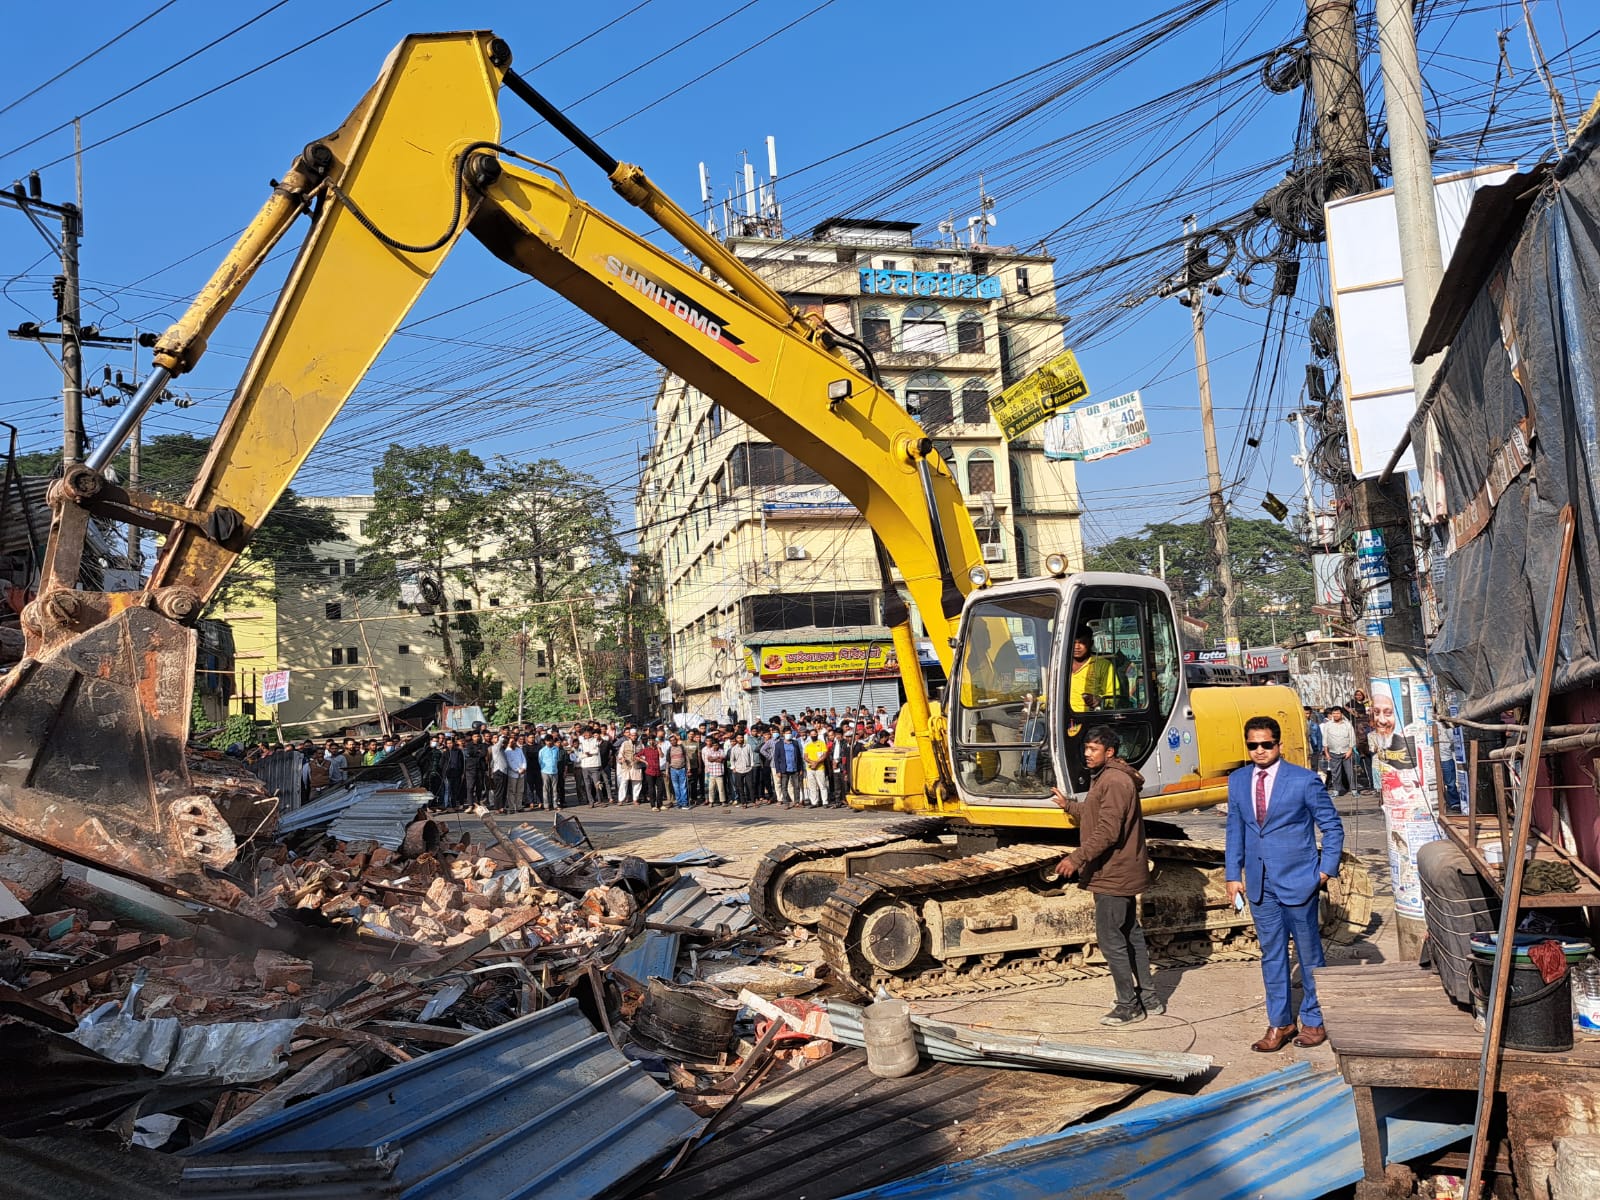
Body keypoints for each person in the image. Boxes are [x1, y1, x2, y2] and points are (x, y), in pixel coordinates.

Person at [1226, 715, 1346, 1052]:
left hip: (1299, 881)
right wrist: (1233, 875)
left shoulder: (1304, 781)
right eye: (1253, 745)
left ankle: (1314, 1018)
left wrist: (1324, 871)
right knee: (1271, 956)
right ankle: (1280, 1022)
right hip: (1260, 885)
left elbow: (1332, 827)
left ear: (1278, 744)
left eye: (1266, 744)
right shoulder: (1238, 781)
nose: (1260, 751)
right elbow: (1235, 829)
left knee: (1309, 955)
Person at [1049, 725, 1159, 1026]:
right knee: (1129, 934)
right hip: (1117, 870)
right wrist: (1070, 806)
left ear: (1109, 752)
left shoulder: (1114, 781)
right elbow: (1099, 814)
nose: (1087, 753)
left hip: (1113, 872)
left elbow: (1108, 831)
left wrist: (1077, 857)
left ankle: (1129, 1005)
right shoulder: (1110, 778)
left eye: (1093, 749)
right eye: (1086, 748)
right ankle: (1148, 997)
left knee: (1112, 939)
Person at [1321, 706, 1357, 797]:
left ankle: (1353, 790)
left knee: (1350, 772)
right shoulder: (1328, 725)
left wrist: (1350, 750)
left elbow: (1352, 738)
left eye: (1337, 713)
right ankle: (1336, 790)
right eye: (1334, 713)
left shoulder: (1347, 724)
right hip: (1333, 752)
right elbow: (1325, 740)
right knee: (1335, 773)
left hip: (1346, 752)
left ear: (1341, 714)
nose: (1336, 715)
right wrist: (1326, 753)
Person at [802, 727, 830, 807]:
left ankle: (825, 802)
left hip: (820, 768)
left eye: (815, 734)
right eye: (812, 735)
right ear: (810, 736)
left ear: (817, 734)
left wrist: (816, 762)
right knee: (812, 786)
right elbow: (805, 757)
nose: (813, 736)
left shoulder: (821, 743)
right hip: (810, 768)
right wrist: (812, 763)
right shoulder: (808, 745)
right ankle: (814, 802)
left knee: (822, 785)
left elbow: (825, 754)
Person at [538, 734, 564, 811]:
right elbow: (540, 761)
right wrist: (543, 769)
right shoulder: (542, 751)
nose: (549, 742)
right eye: (547, 741)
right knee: (546, 789)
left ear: (552, 740)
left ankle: (555, 805)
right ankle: (546, 805)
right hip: (545, 771)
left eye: (550, 740)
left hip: (554, 771)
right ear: (545, 741)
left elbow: (557, 760)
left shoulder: (556, 749)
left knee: (555, 789)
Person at [639, 735, 665, 809]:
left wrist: (659, 749)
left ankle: (660, 804)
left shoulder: (657, 748)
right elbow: (636, 756)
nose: (651, 741)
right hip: (649, 771)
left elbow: (662, 756)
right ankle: (653, 805)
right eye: (650, 740)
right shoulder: (646, 749)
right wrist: (644, 761)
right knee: (651, 789)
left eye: (652, 740)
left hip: (657, 771)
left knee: (660, 788)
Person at [504, 735, 528, 813]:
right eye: (511, 741)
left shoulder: (519, 750)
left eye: (514, 741)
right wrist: (518, 770)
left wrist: (524, 768)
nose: (513, 743)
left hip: (522, 773)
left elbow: (523, 759)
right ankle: (511, 807)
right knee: (512, 791)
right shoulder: (507, 751)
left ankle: (519, 806)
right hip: (513, 774)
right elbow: (510, 762)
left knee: (520, 791)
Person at [703, 735, 729, 805]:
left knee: (721, 789)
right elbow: (709, 759)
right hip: (711, 773)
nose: (715, 746)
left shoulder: (721, 751)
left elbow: (721, 760)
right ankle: (711, 802)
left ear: (718, 745)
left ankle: (723, 801)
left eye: (716, 745)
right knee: (711, 789)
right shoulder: (709, 751)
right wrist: (716, 758)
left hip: (719, 773)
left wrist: (713, 759)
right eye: (714, 745)